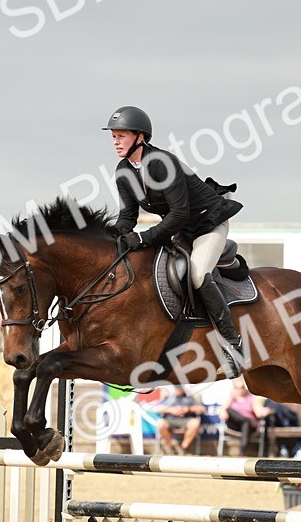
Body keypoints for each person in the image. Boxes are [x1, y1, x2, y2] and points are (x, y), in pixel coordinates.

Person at [103, 105, 246, 378]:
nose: (116, 142)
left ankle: (233, 344)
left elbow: (180, 212)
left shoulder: (162, 163)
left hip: (207, 223)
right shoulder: (123, 170)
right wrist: (110, 239)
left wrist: (144, 237)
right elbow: (127, 216)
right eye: (113, 137)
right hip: (178, 228)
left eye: (121, 136)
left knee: (197, 273)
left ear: (140, 137)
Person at [220, 377, 273, 455]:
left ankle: (242, 452)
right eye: (237, 388)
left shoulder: (251, 399)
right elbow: (222, 410)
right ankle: (244, 420)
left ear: (244, 388)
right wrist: (223, 412)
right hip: (235, 424)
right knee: (229, 410)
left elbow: (258, 412)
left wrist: (265, 411)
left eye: (241, 387)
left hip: (249, 426)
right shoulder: (231, 399)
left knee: (246, 422)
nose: (240, 390)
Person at [153, 386, 205, 454]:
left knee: (195, 423)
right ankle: (171, 447)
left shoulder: (190, 397)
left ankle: (183, 448)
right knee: (160, 423)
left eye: (180, 387)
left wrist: (188, 409)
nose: (178, 389)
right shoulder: (168, 397)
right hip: (170, 420)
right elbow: (157, 408)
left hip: (186, 420)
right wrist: (171, 410)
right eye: (176, 387)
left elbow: (202, 408)